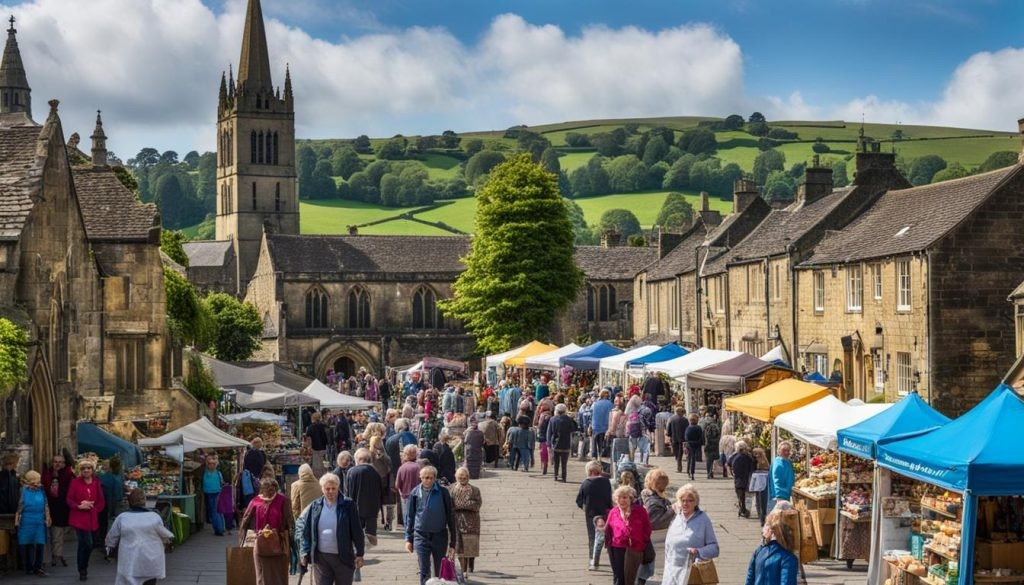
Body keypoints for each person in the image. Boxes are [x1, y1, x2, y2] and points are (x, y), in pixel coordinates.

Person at [297, 473, 365, 585]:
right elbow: (307, 531)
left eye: (333, 488)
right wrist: (304, 551)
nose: (331, 492)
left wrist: (360, 554)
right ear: (322, 489)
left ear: (338, 488)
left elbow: (357, 531)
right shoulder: (315, 506)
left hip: (343, 557)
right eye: (327, 489)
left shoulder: (348, 505)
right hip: (321, 558)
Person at [105, 488, 173, 585]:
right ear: (144, 501)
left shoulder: (122, 517)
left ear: (130, 501)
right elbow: (164, 535)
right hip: (151, 559)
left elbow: (111, 538)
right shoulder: (154, 517)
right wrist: (167, 544)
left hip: (129, 560)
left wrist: (109, 551)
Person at [403, 466, 457, 585]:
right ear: (420, 478)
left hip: (439, 535)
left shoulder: (443, 492)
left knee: (439, 569)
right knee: (424, 568)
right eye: (425, 478)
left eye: (430, 478)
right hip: (421, 535)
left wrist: (453, 542)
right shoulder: (415, 493)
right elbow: (410, 517)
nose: (427, 480)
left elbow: (450, 517)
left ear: (435, 478)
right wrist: (408, 539)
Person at [239, 477, 294, 585]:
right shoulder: (255, 501)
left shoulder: (283, 500)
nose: (270, 492)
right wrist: (243, 540)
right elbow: (245, 522)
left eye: (272, 490)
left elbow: (289, 522)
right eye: (267, 489)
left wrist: (290, 541)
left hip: (279, 544)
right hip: (261, 544)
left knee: (278, 575)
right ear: (262, 489)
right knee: (262, 575)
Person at [662, 484, 720, 585]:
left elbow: (714, 548)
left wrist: (698, 551)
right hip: (672, 575)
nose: (685, 503)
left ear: (696, 502)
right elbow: (668, 549)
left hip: (693, 574)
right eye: (682, 500)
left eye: (690, 500)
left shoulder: (703, 520)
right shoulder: (676, 518)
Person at [67, 458, 106, 581]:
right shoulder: (75, 482)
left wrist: (94, 508)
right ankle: (82, 568)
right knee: (87, 543)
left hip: (92, 517)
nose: (86, 470)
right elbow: (69, 499)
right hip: (79, 517)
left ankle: (83, 566)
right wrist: (79, 506)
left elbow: (101, 501)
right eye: (83, 468)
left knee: (89, 544)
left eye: (88, 468)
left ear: (92, 470)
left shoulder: (96, 482)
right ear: (80, 470)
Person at [604, 485, 651, 585]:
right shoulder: (613, 512)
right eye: (619, 498)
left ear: (630, 498)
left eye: (625, 497)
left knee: (630, 577)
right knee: (619, 577)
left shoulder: (640, 511)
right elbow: (607, 530)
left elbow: (647, 528)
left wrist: (642, 543)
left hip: (634, 549)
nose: (622, 500)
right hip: (617, 548)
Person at [638, 469, 674, 585]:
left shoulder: (649, 496)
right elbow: (655, 522)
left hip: (651, 541)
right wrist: (672, 510)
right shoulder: (653, 502)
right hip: (654, 541)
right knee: (647, 570)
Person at [744, 510, 799, 585]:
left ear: (771, 530)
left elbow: (749, 579)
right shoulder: (788, 558)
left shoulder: (759, 551)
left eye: (765, 525)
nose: (762, 530)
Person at [576, 460, 612, 570]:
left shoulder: (585, 483)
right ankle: (609, 556)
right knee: (606, 535)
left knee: (592, 536)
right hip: (605, 512)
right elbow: (609, 497)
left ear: (589, 471)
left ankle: (592, 558)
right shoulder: (606, 482)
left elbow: (578, 501)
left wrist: (584, 507)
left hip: (591, 514)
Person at [344, 448, 382, 545]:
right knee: (371, 534)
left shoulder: (352, 472)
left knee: (356, 534)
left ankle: (359, 553)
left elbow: (348, 492)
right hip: (372, 509)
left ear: (357, 459)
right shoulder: (376, 472)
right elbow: (380, 491)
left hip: (356, 508)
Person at [15, 470, 50, 576]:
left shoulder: (41, 490)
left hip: (39, 520)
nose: (36, 483)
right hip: (26, 520)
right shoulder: (23, 490)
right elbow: (19, 507)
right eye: (33, 481)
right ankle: (28, 567)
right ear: (28, 481)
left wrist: (48, 517)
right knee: (26, 544)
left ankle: (38, 567)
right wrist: (17, 520)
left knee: (40, 543)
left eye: (37, 481)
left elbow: (46, 505)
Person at [448, 467, 482, 574]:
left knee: (471, 546)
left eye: (465, 477)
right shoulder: (451, 489)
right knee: (459, 546)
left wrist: (461, 505)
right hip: (457, 521)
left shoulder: (475, 490)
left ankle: (470, 565)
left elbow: (477, 505)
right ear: (456, 477)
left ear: (468, 477)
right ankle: (463, 570)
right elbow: (450, 505)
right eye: (460, 477)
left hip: (472, 522)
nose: (462, 478)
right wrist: (466, 504)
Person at [43, 451, 74, 568]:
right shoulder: (48, 473)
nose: (58, 464)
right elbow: (47, 489)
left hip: (64, 508)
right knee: (55, 534)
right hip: (50, 507)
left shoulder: (68, 474)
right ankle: (56, 555)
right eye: (56, 462)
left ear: (64, 463)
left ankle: (57, 554)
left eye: (60, 462)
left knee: (59, 533)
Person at [368, 436, 396, 532]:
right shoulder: (370, 454)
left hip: (385, 481)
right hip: (375, 481)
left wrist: (382, 457)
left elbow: (390, 467)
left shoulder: (384, 454)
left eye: (379, 442)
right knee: (376, 503)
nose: (378, 445)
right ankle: (374, 522)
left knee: (388, 503)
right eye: (376, 443)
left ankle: (388, 522)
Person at [97, 456, 124, 545]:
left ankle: (104, 542)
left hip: (106, 504)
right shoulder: (119, 477)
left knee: (104, 525)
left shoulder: (105, 478)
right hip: (114, 504)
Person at [547, 403, 577, 483]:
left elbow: (549, 432)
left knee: (556, 462)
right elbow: (573, 429)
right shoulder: (568, 419)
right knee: (564, 463)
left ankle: (556, 476)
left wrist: (549, 443)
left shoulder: (552, 419)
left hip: (555, 444)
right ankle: (564, 477)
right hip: (566, 444)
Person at [394, 445, 422, 527]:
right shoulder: (418, 467)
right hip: (418, 495)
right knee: (417, 517)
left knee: (407, 517)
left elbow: (397, 485)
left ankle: (408, 536)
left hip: (405, 496)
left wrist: (401, 492)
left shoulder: (402, 468)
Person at [730, 441, 757, 518]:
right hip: (748, 479)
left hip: (739, 479)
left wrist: (732, 473)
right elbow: (753, 467)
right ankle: (746, 510)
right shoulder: (749, 457)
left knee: (740, 496)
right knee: (747, 496)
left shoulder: (735, 456)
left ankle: (742, 509)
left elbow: (729, 464)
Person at [201, 454, 225, 536]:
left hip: (209, 493)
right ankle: (221, 527)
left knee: (214, 511)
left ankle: (218, 529)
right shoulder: (218, 473)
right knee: (218, 510)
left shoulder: (205, 472)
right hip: (217, 491)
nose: (211, 465)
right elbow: (222, 483)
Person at [242, 438, 268, 507]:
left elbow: (246, 465)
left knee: (250, 494)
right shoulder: (262, 453)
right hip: (258, 476)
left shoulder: (249, 453)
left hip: (249, 476)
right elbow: (263, 464)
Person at [769, 441, 795, 509]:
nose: (786, 452)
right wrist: (779, 495)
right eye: (784, 450)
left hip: (787, 493)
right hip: (780, 494)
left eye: (788, 450)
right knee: (780, 514)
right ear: (779, 451)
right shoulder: (778, 462)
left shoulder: (787, 461)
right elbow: (776, 479)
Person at [751, 448, 772, 525]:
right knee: (761, 500)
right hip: (763, 482)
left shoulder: (759, 461)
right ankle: (762, 517)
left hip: (760, 482)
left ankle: (762, 517)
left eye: (756, 454)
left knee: (760, 500)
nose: (755, 455)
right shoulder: (763, 461)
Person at [590, 389, 613, 460]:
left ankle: (594, 457)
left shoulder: (595, 404)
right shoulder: (610, 404)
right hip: (605, 427)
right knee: (603, 445)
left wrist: (590, 426)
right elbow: (611, 416)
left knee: (595, 443)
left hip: (595, 426)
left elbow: (591, 415)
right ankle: (601, 459)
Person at [306, 412, 331, 476]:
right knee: (324, 464)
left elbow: (308, 438)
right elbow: (328, 437)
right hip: (324, 448)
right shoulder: (324, 426)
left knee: (316, 465)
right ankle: (324, 475)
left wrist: (309, 447)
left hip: (315, 448)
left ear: (313, 418)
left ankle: (318, 478)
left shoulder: (310, 427)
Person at [667, 407, 689, 474]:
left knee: (676, 452)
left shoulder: (672, 419)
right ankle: (680, 463)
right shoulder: (685, 420)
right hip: (683, 438)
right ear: (682, 412)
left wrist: (669, 435)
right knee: (681, 452)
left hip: (674, 438)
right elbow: (687, 429)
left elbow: (669, 429)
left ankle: (678, 463)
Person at [684, 414, 704, 481]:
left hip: (689, 444)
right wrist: (699, 443)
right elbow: (701, 437)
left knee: (689, 458)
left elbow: (686, 438)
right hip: (696, 445)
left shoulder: (688, 428)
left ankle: (688, 471)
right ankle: (692, 472)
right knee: (693, 459)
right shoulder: (698, 428)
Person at [702, 411, 721, 479]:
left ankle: (709, 473)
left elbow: (708, 437)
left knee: (709, 461)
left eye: (708, 416)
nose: (706, 418)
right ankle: (710, 473)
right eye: (706, 416)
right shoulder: (714, 425)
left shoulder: (710, 426)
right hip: (714, 445)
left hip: (709, 446)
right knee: (712, 460)